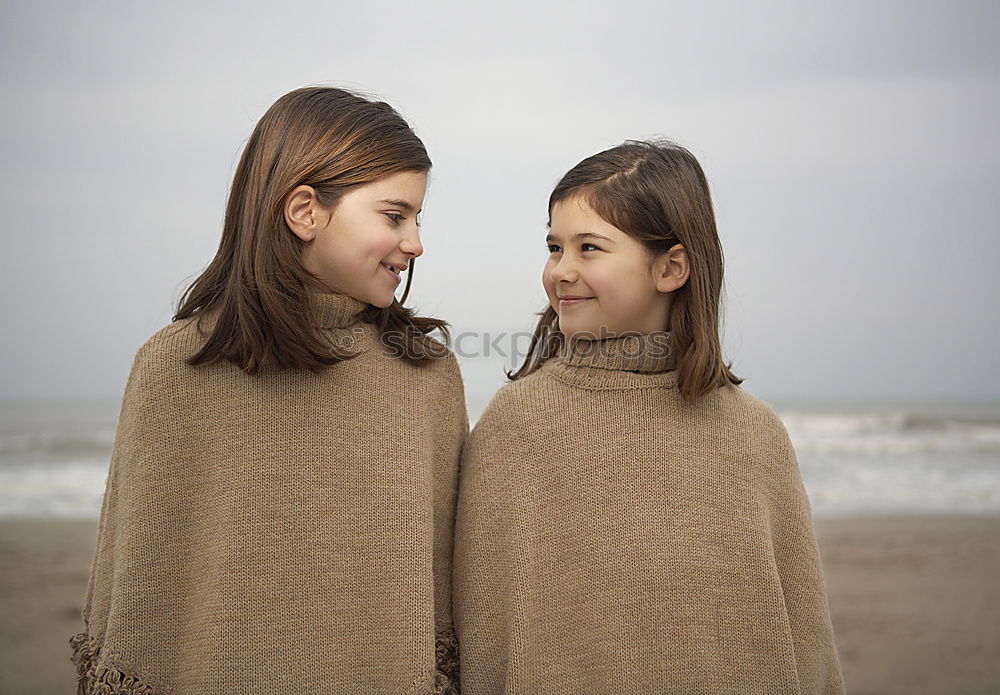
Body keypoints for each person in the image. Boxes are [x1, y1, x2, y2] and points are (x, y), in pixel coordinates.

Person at [69, 86, 467, 694]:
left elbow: (441, 598)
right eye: (394, 216)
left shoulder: (425, 377)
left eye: (417, 218)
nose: (415, 243)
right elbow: (142, 595)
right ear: (304, 210)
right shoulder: (176, 369)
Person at [453, 140, 845, 694]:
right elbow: (484, 632)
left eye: (589, 248)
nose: (562, 270)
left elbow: (805, 641)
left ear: (671, 267)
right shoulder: (518, 424)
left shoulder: (753, 435)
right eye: (553, 247)